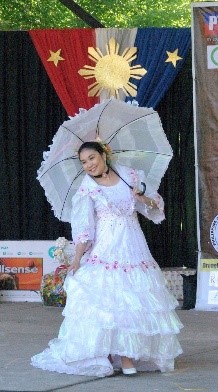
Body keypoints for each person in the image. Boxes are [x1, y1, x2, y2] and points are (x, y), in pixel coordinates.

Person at [31, 141, 183, 377]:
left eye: (91, 158)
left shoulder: (129, 175)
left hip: (133, 244)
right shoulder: (88, 188)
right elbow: (84, 227)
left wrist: (143, 197)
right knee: (111, 300)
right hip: (106, 247)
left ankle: (127, 354)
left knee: (133, 299)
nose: (88, 165)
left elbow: (155, 207)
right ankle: (118, 355)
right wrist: (77, 258)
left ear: (103, 155)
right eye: (83, 162)